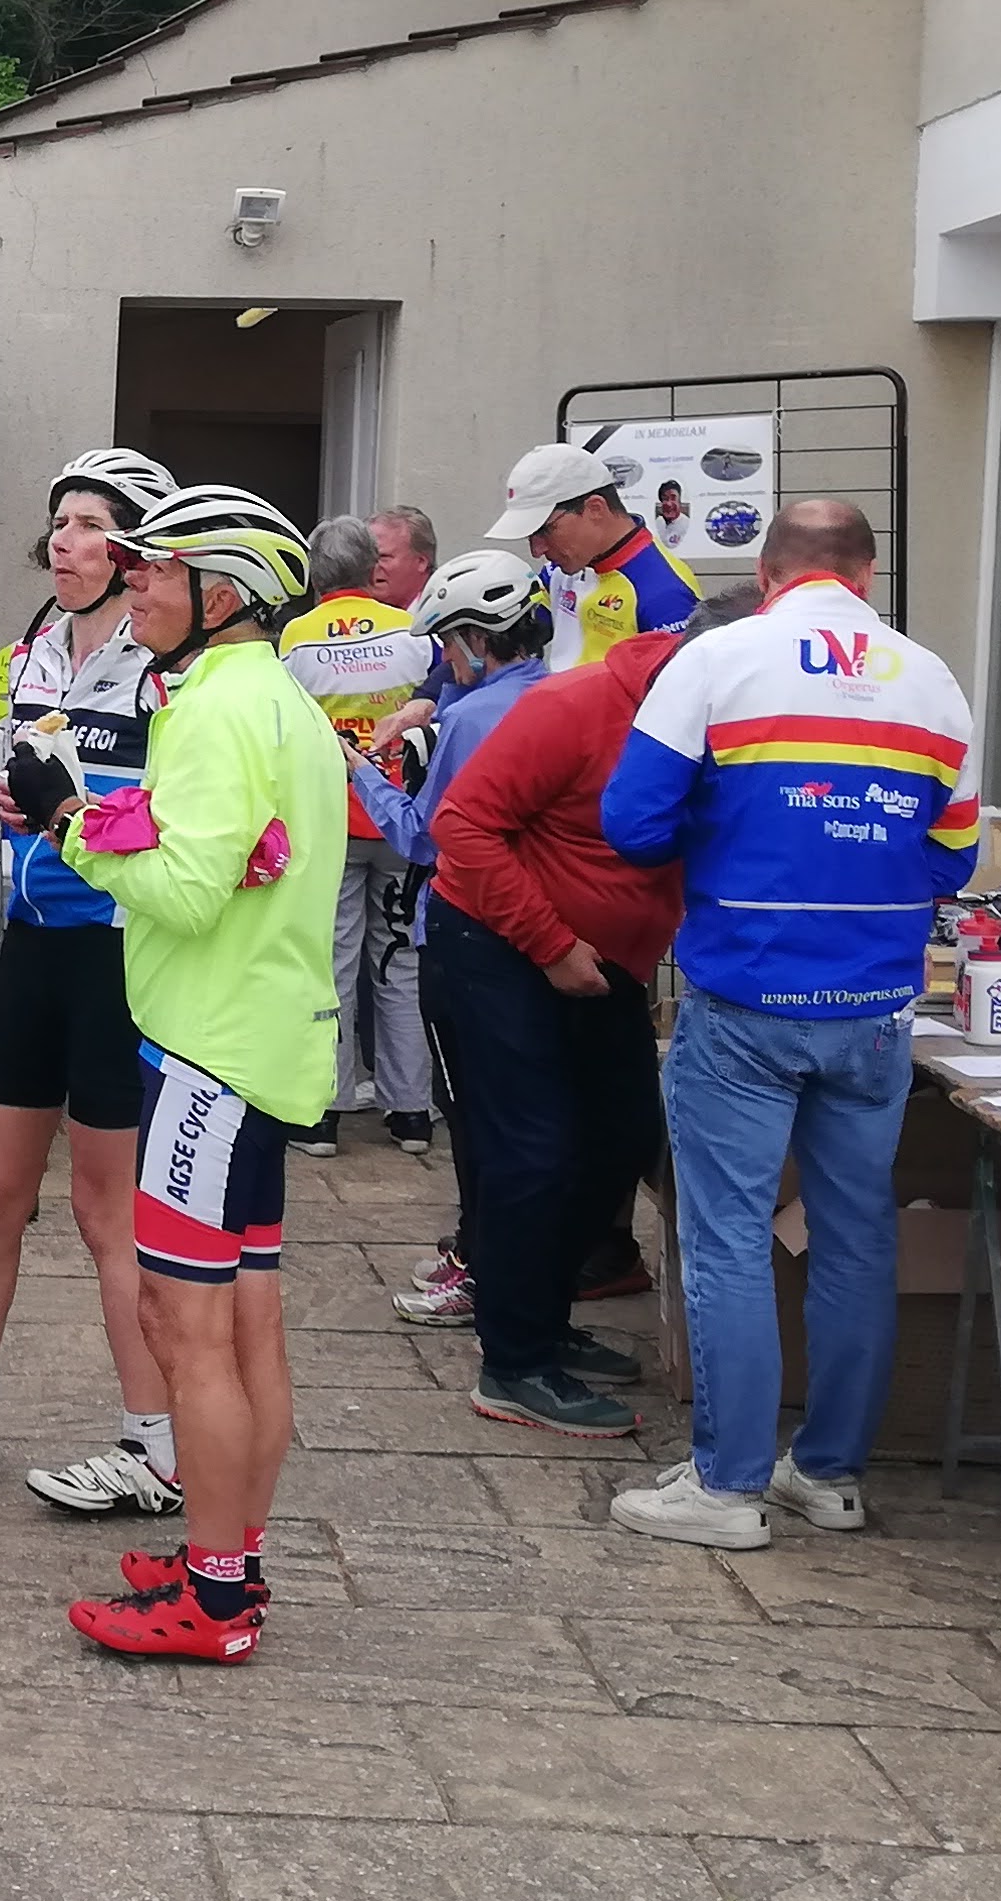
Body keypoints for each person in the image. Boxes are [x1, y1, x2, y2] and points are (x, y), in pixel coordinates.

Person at [3, 481, 341, 1668]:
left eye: (155, 568)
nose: (131, 580)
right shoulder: (271, 696)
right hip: (261, 1037)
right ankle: (231, 1553)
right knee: (247, 1321)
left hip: (209, 1051)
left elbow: (186, 893)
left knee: (185, 1324)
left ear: (224, 593)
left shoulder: (213, 708)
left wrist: (65, 824)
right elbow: (214, 853)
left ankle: (216, 1596)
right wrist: (99, 815)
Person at [599, 502, 977, 1549]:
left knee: (727, 1240)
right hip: (875, 1008)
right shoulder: (932, 681)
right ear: (867, 574)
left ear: (768, 574)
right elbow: (954, 856)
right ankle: (829, 1475)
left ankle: (725, 1490)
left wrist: (728, 832)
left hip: (745, 995)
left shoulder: (719, 661)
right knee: (857, 1239)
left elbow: (631, 823)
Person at [0, 451, 181, 1520]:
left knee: (109, 1213)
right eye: (59, 520)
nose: (65, 540)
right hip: (31, 939)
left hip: (120, 951)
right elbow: (23, 790)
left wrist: (66, 799)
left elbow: (169, 811)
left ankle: (151, 1449)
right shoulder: (32, 647)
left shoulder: (163, 661)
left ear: (135, 548)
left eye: (90, 523)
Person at [424, 610, 686, 1439]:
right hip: (498, 943)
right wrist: (550, 944)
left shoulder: (727, 719)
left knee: (623, 1136)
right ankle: (514, 1363)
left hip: (603, 963)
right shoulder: (574, 706)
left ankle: (540, 1312)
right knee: (534, 1150)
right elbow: (460, 826)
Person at [353, 550, 556, 1330]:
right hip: (537, 931)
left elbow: (421, 835)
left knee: (471, 1115)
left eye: (447, 641)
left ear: (476, 637)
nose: (444, 658)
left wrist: (358, 771)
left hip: (466, 931)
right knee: (519, 1112)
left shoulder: (471, 718)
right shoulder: (554, 695)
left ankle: (478, 1267)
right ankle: (492, 1255)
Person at [277, 516, 438, 1161]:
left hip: (331, 822)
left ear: (314, 575)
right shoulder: (413, 632)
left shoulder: (295, 638)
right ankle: (412, 1113)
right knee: (400, 961)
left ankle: (323, 1115)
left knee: (332, 966)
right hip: (400, 819)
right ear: (373, 567)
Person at [489, 443, 702, 672]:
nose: (537, 550)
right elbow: (518, 639)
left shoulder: (666, 593)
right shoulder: (563, 566)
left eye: (544, 530)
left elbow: (680, 687)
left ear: (595, 509)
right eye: (530, 535)